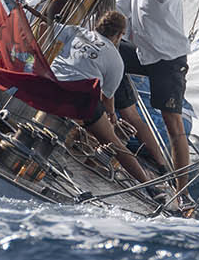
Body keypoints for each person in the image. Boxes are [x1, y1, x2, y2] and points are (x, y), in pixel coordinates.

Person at [115, 0, 192, 196]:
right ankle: (116, 112)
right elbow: (117, 9)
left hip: (168, 61)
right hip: (143, 54)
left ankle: (184, 194)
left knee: (174, 125)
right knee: (108, 51)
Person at [50, 10, 152, 186]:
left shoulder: (77, 31)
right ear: (120, 35)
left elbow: (46, 26)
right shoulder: (116, 60)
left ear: (99, 24)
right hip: (79, 99)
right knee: (113, 141)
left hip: (49, 85)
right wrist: (112, 117)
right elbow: (107, 97)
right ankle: (150, 186)